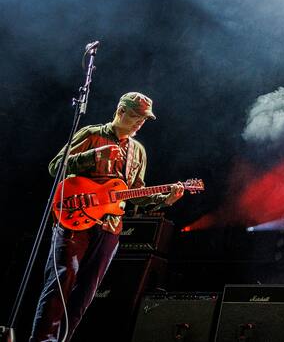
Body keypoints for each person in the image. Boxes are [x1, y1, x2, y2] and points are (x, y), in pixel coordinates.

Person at [29, 92, 184, 342]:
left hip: (110, 227)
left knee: (85, 293)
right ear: (121, 111)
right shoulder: (92, 135)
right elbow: (56, 166)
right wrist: (94, 156)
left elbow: (135, 192)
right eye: (136, 116)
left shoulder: (138, 151)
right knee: (60, 282)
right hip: (75, 220)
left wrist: (165, 199)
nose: (140, 123)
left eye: (144, 119)